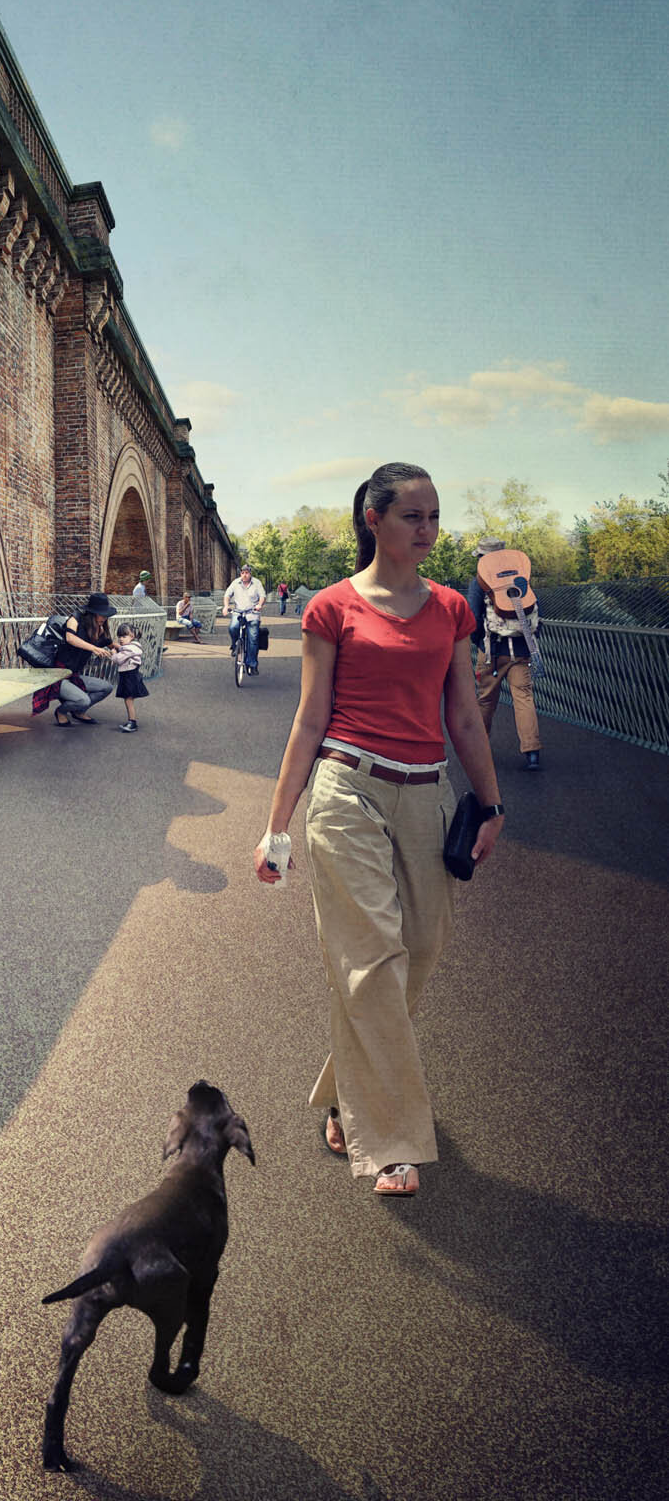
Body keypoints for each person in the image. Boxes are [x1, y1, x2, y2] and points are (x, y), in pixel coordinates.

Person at [255, 462, 505, 1199]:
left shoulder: (453, 610)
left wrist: (490, 805)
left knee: (419, 950)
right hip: (346, 790)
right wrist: (276, 828)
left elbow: (462, 714)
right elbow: (309, 718)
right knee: (371, 958)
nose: (428, 530)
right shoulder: (332, 608)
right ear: (374, 519)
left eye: (434, 517)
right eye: (412, 517)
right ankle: (392, 1142)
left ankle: (343, 1090)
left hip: (427, 794)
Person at [464, 538, 544, 772]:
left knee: (486, 700)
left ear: (482, 558)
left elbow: (473, 617)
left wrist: (478, 642)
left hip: (493, 651)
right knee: (524, 698)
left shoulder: (479, 583)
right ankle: (532, 753)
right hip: (521, 649)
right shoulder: (520, 578)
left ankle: (478, 750)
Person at [27, 592, 117, 726]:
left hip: (73, 676)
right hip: (58, 676)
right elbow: (70, 638)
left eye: (106, 615)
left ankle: (78, 712)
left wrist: (127, 648)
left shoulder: (98, 630)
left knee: (106, 687)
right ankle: (61, 712)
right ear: (92, 612)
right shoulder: (75, 619)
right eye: (101, 614)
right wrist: (94, 648)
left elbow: (110, 644)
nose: (104, 618)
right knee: (84, 700)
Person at [224, 564, 267, 675]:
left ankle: (252, 664)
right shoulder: (235, 583)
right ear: (240, 574)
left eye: (247, 572)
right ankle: (235, 645)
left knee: (253, 638)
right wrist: (226, 606)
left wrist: (259, 605)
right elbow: (227, 595)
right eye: (243, 573)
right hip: (238, 612)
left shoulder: (256, 583)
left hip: (252, 613)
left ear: (250, 573)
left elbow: (262, 596)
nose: (244, 575)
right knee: (233, 627)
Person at [111, 624, 148, 732]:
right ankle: (131, 721)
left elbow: (118, 659)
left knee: (128, 699)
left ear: (132, 636)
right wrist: (118, 647)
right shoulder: (132, 647)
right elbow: (123, 649)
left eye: (124, 636)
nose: (121, 639)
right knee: (128, 699)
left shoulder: (130, 649)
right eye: (119, 637)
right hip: (129, 675)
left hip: (129, 676)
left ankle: (132, 722)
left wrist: (113, 653)